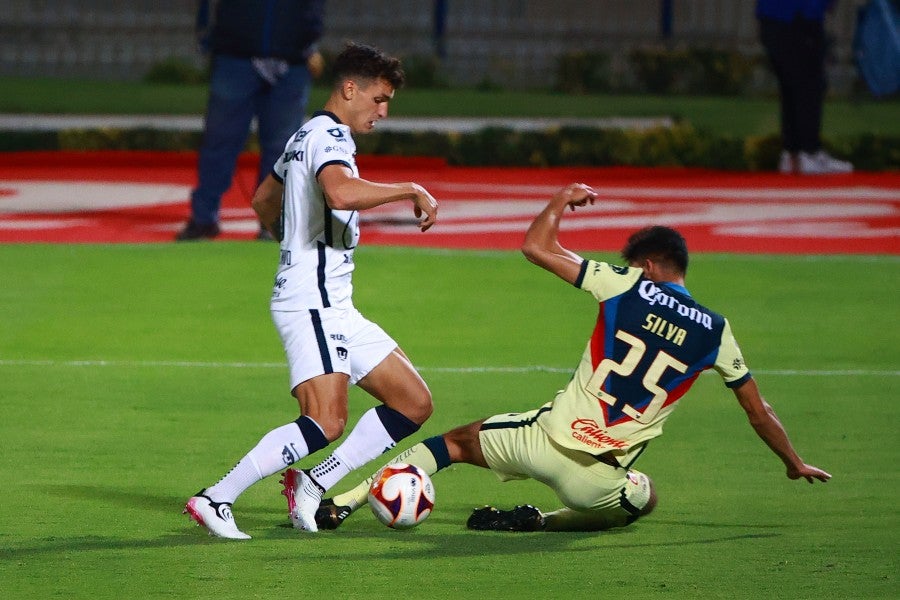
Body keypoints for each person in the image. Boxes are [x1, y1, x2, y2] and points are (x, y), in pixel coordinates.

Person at [291, 183, 832, 533]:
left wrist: (556, 204)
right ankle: (544, 521)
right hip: (598, 480)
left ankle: (343, 500)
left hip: (542, 440)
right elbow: (759, 412)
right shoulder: (717, 332)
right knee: (644, 500)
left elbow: (537, 247)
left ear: (647, 263)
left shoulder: (626, 284)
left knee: (449, 444)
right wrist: (792, 462)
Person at [184, 42, 440, 539]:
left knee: (413, 402)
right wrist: (410, 188)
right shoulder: (332, 138)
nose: (383, 111)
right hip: (313, 302)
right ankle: (216, 497)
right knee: (325, 420)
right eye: (380, 99)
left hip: (333, 302)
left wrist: (294, 242)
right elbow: (340, 192)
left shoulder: (305, 134)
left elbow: (262, 199)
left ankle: (312, 481)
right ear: (350, 89)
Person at [176, 0, 327, 241]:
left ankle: (271, 221)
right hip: (237, 55)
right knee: (220, 142)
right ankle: (204, 218)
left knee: (282, 149)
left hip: (289, 60)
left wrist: (309, 41)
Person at [756, 0, 854, 175]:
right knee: (808, 86)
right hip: (798, 16)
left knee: (791, 88)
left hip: (774, 16)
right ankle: (809, 152)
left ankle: (792, 153)